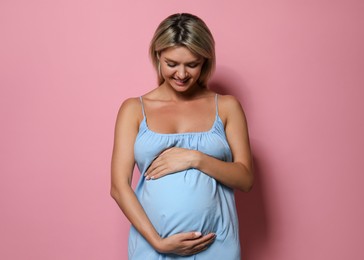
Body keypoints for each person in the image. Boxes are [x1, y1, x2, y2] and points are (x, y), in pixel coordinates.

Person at [111, 13, 253, 259]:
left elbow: (245, 179)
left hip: (216, 246)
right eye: (172, 63)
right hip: (153, 247)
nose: (181, 74)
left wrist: (195, 159)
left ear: (205, 61)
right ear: (157, 56)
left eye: (192, 64)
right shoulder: (134, 110)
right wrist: (159, 243)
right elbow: (119, 186)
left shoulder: (227, 107)